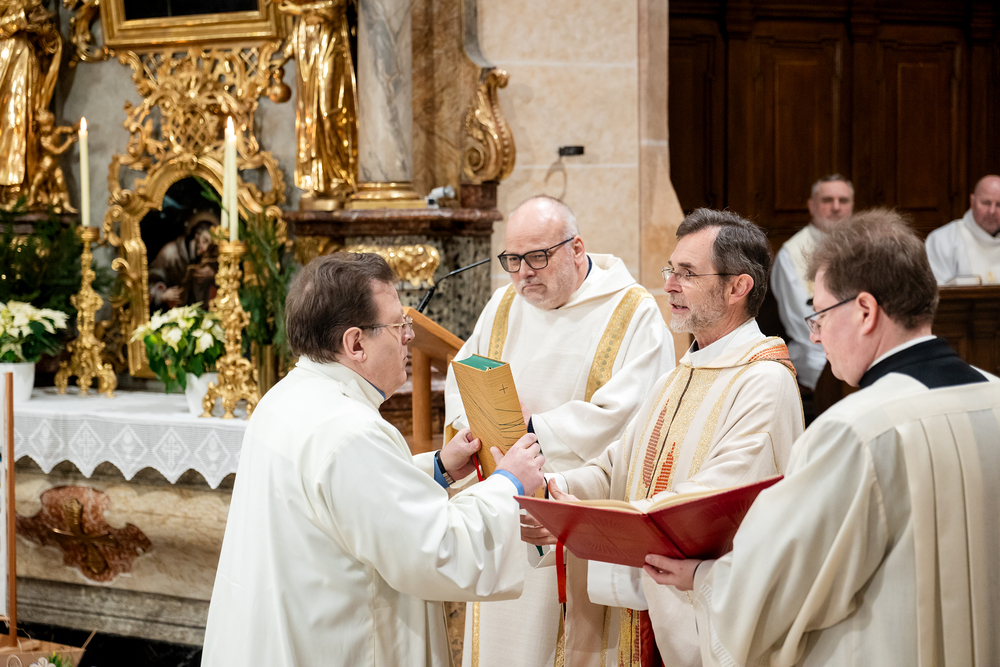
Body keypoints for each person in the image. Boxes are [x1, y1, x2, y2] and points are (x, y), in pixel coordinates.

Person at [645, 209, 1000, 667]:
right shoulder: (994, 396)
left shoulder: (856, 430)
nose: (816, 338)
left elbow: (782, 583)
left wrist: (702, 578)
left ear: (866, 311)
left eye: (821, 315)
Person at [202, 253, 547, 666]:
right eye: (399, 325)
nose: (409, 336)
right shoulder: (351, 431)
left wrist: (438, 467)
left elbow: (344, 501)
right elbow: (437, 552)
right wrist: (509, 482)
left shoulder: (284, 398)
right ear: (355, 344)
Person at [525, 208, 804, 667]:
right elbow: (617, 468)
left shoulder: (763, 382)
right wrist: (556, 495)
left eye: (687, 273)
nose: (670, 285)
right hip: (647, 617)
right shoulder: (680, 374)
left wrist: (595, 524)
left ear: (738, 287)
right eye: (670, 270)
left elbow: (711, 504)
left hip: (701, 624)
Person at [446, 195, 676, 667]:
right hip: (504, 503)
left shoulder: (631, 312)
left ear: (576, 248)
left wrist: (531, 432)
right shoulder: (503, 304)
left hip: (575, 512)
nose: (523, 273)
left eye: (537, 257)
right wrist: (478, 430)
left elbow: (630, 416)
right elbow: (461, 378)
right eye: (512, 260)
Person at [771, 174, 855, 390]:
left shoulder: (864, 246)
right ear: (811, 206)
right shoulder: (792, 253)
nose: (836, 207)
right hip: (814, 350)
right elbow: (800, 319)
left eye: (843, 200)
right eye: (827, 200)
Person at [925, 174, 1000, 284]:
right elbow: (936, 289)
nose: (992, 211)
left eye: (999, 205)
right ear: (972, 202)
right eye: (986, 203)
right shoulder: (942, 240)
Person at [148, 217, 217, 311]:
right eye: (205, 241)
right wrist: (163, 295)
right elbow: (147, 284)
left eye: (210, 245)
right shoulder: (170, 253)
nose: (205, 248)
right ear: (197, 235)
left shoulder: (207, 260)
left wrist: (212, 275)